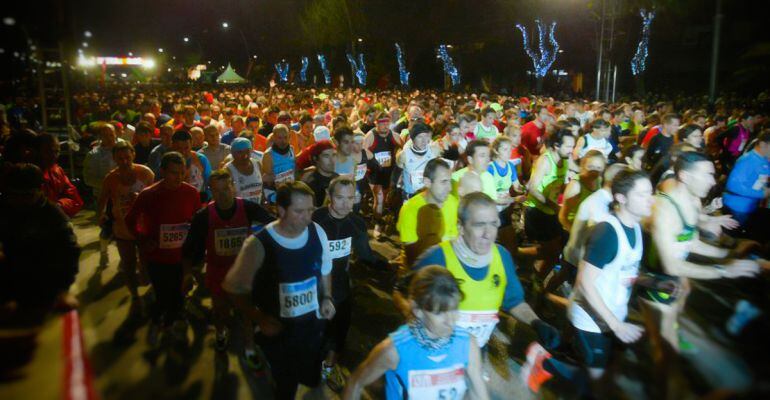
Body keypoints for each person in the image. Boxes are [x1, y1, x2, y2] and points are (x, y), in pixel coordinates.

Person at [224, 182, 335, 399]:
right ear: (281, 210)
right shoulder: (258, 244)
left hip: (313, 328)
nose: (307, 217)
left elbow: (325, 268)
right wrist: (258, 317)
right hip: (281, 334)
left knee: (311, 376)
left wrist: (327, 297)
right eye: (299, 211)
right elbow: (233, 288)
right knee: (286, 385)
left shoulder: (317, 231)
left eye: (310, 210)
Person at [641, 151, 761, 353]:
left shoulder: (694, 201)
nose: (713, 182)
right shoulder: (664, 210)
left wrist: (728, 255)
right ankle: (660, 350)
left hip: (675, 273)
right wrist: (724, 270)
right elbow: (672, 266)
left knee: (682, 297)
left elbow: (692, 242)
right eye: (707, 175)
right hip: (655, 277)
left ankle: (670, 333)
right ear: (685, 176)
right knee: (665, 349)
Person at [413, 193, 560, 351]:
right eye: (479, 225)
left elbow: (514, 302)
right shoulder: (437, 258)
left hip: (477, 353)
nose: (488, 234)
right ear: (460, 227)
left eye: (493, 224)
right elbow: (404, 298)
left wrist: (536, 322)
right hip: (435, 354)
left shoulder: (502, 256)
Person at [344, 266, 489, 400]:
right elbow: (355, 383)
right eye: (439, 313)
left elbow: (477, 392)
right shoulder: (394, 350)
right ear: (417, 310)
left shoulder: (467, 343)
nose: (451, 321)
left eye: (454, 309)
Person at [568, 169, 653, 379]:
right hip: (591, 320)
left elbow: (621, 271)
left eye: (650, 193)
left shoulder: (635, 226)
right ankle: (545, 363)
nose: (650, 200)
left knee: (606, 374)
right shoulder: (607, 232)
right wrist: (616, 325)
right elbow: (585, 283)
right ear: (621, 198)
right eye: (642, 194)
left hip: (613, 315)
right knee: (594, 381)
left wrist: (652, 283)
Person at [181, 169, 274, 354]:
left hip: (243, 269)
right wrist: (187, 274)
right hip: (218, 271)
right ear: (211, 191)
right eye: (217, 190)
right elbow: (188, 248)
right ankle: (220, 332)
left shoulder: (248, 207)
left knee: (246, 311)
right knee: (220, 310)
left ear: (233, 187)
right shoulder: (203, 216)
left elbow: (273, 223)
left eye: (226, 188)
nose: (222, 194)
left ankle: (249, 348)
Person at [313, 176, 389, 390]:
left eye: (350, 198)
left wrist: (385, 265)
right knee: (313, 330)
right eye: (340, 198)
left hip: (340, 285)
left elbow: (365, 254)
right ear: (329, 196)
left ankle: (329, 367)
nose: (346, 204)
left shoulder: (356, 223)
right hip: (312, 285)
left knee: (339, 329)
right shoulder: (315, 220)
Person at [125, 152, 202, 344]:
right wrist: (143, 239)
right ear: (162, 171)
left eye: (182, 172)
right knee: (162, 293)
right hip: (158, 257)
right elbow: (130, 220)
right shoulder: (148, 194)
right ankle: (161, 321)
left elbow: (197, 221)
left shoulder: (191, 193)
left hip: (182, 257)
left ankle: (172, 321)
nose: (179, 177)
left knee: (180, 291)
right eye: (174, 172)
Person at [0, 163, 81, 312]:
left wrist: (63, 289)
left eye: (27, 195)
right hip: (12, 275)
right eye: (14, 195)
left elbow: (69, 251)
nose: (20, 201)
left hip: (46, 276)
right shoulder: (5, 208)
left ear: (40, 190)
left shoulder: (53, 214)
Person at [97, 142, 155, 314]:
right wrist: (100, 215)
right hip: (122, 228)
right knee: (128, 264)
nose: (124, 161)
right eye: (120, 158)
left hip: (144, 227)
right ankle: (135, 297)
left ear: (133, 155)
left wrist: (141, 199)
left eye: (127, 157)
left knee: (147, 265)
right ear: (114, 158)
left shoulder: (145, 173)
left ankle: (151, 289)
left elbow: (156, 197)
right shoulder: (110, 178)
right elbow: (102, 199)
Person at [524, 129, 575, 277]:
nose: (571, 150)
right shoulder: (545, 161)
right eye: (568, 146)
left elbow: (559, 185)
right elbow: (532, 188)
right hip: (536, 210)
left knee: (555, 250)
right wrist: (552, 205)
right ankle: (517, 254)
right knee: (553, 252)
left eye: (572, 146)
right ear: (556, 146)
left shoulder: (564, 160)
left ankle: (536, 277)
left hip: (551, 210)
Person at [397, 158, 459, 265]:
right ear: (427, 182)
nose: (449, 188)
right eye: (444, 182)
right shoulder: (410, 209)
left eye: (449, 181)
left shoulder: (453, 203)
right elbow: (413, 258)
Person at [364, 113, 403, 231]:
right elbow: (362, 151)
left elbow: (405, 149)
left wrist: (399, 156)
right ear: (376, 123)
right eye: (382, 123)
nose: (385, 126)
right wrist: (372, 161)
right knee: (379, 197)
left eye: (387, 123)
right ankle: (377, 224)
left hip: (389, 172)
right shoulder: (371, 136)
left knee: (386, 197)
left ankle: (382, 217)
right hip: (374, 173)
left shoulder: (394, 135)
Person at [723, 130, 770, 227]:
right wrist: (762, 193)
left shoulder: (764, 159)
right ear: (763, 144)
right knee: (734, 233)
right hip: (737, 207)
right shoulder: (748, 160)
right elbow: (734, 186)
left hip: (749, 205)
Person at [34, 133, 83, 218]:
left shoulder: (58, 171)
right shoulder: (27, 174)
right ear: (36, 151)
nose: (54, 156)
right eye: (48, 151)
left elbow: (75, 200)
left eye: (56, 152)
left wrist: (58, 205)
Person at [559, 150, 606, 232]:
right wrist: (576, 235)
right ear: (582, 165)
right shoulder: (576, 186)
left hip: (588, 229)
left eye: (598, 168)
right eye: (590, 167)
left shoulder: (598, 180)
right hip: (573, 230)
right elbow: (562, 217)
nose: (594, 172)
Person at [396, 122, 440, 199]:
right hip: (410, 195)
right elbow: (397, 174)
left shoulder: (434, 151)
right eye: (420, 137)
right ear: (412, 139)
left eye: (426, 136)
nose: (424, 140)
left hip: (428, 194)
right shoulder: (403, 155)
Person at [487, 136, 522, 224]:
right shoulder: (490, 168)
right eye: (505, 149)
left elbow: (517, 187)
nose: (509, 153)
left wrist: (527, 188)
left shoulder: (511, 166)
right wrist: (515, 199)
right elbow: (492, 198)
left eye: (510, 149)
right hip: (492, 209)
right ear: (496, 150)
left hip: (506, 206)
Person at [171, 130, 212, 200]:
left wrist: (207, 199)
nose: (183, 152)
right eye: (179, 149)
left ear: (191, 143)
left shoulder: (201, 159)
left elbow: (209, 182)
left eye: (186, 148)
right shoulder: (167, 161)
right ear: (172, 145)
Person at [261, 124, 296, 204]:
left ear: (289, 137)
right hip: (275, 195)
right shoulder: (268, 155)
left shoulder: (292, 149)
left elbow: (294, 171)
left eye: (285, 137)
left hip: (290, 190)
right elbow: (266, 180)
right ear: (274, 138)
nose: (283, 141)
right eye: (279, 138)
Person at [300, 140, 339, 207]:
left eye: (334, 155)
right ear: (315, 158)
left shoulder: (337, 178)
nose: (332, 160)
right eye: (326, 156)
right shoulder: (311, 184)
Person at [225, 137, 263, 203]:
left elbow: (263, 187)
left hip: (257, 207)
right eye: (240, 152)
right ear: (233, 153)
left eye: (248, 151)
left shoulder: (257, 164)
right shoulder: (228, 170)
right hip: (239, 208)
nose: (245, 156)